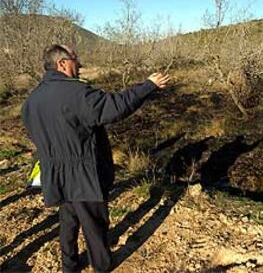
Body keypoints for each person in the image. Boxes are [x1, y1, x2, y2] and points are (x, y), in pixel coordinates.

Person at [21, 44, 170, 272]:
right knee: (95, 224)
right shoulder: (76, 92)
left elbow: (33, 133)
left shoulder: (32, 100)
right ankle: (102, 266)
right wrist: (147, 86)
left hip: (54, 173)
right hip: (83, 174)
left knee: (68, 221)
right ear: (62, 63)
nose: (79, 64)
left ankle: (69, 266)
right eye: (75, 58)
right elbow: (114, 107)